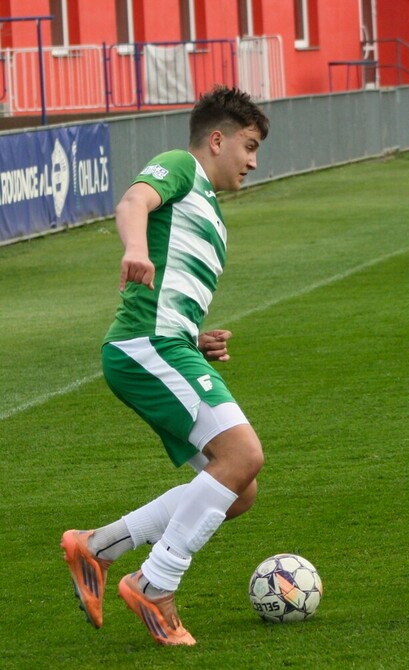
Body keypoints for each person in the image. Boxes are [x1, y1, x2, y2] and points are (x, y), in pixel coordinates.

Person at [61, 86, 270, 646]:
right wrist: (134, 247)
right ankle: (155, 584)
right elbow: (133, 202)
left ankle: (97, 547)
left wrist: (196, 338)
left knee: (239, 488)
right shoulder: (180, 166)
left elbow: (169, 292)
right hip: (144, 346)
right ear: (217, 140)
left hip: (167, 343)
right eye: (249, 146)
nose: (253, 162)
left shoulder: (210, 210)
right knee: (243, 455)